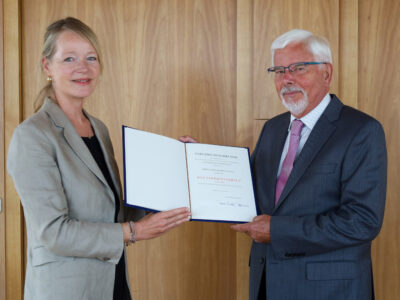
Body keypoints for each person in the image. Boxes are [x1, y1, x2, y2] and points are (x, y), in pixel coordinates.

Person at [7, 17, 191, 300]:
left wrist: (175, 166)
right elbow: (54, 233)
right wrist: (134, 232)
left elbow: (114, 213)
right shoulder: (33, 135)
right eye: (69, 58)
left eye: (91, 57)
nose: (83, 68)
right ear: (47, 66)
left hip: (112, 283)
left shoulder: (98, 129)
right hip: (66, 290)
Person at [231, 29, 387, 300]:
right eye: (279, 70)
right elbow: (248, 192)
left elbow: (363, 222)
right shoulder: (273, 128)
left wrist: (277, 231)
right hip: (267, 283)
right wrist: (203, 163)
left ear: (327, 73)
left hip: (329, 289)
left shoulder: (362, 130)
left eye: (298, 68)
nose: (287, 79)